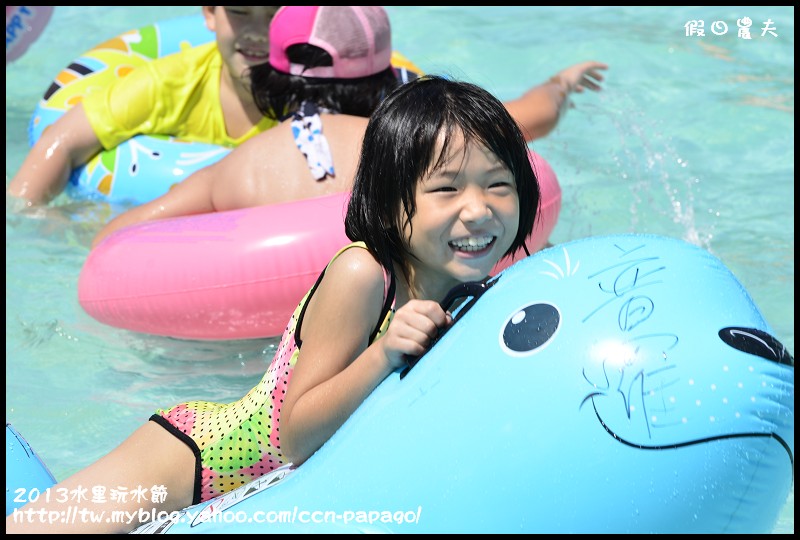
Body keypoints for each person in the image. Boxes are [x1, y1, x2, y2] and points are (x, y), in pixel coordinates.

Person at [6, 74, 539, 534]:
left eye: (498, 185)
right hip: (199, 466)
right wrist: (384, 353)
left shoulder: (487, 286)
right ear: (389, 198)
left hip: (284, 500)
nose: (478, 211)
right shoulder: (365, 274)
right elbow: (294, 436)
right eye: (446, 190)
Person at [90, 5, 606, 248]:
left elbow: (119, 239)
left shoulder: (244, 168)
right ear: (390, 75)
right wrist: (561, 83)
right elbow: (529, 116)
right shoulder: (435, 137)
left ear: (271, 82)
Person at [6, 6, 282, 207]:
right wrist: (30, 218)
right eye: (239, 12)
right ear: (210, 13)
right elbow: (61, 142)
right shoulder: (173, 81)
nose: (257, 33)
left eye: (273, 15)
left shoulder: (308, 96)